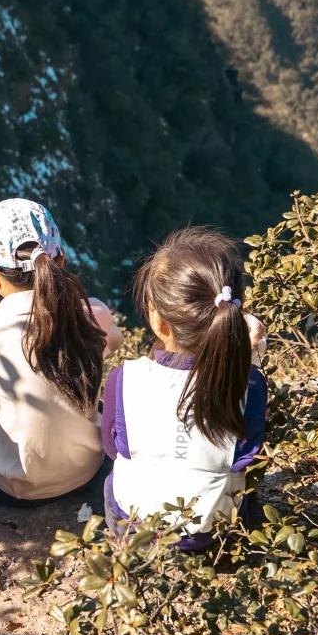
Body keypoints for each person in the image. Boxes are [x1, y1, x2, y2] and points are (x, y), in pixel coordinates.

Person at [0, 198, 123, 502]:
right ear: (61, 262)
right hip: (85, 472)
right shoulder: (95, 316)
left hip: (8, 486)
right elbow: (113, 343)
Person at [102, 226, 267, 551]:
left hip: (137, 526)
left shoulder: (125, 378)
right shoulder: (249, 382)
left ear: (159, 323)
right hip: (213, 531)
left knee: (114, 475)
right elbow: (250, 453)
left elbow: (112, 446)